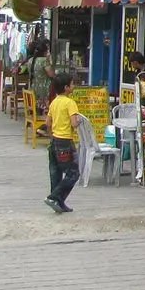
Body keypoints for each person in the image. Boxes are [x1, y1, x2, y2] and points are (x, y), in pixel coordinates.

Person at [44, 73, 82, 214]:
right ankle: (53, 197)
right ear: (66, 87)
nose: (74, 86)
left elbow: (48, 122)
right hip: (65, 142)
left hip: (54, 141)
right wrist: (77, 121)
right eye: (72, 84)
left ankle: (59, 203)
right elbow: (74, 122)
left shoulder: (54, 101)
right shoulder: (70, 103)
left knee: (56, 174)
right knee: (73, 173)